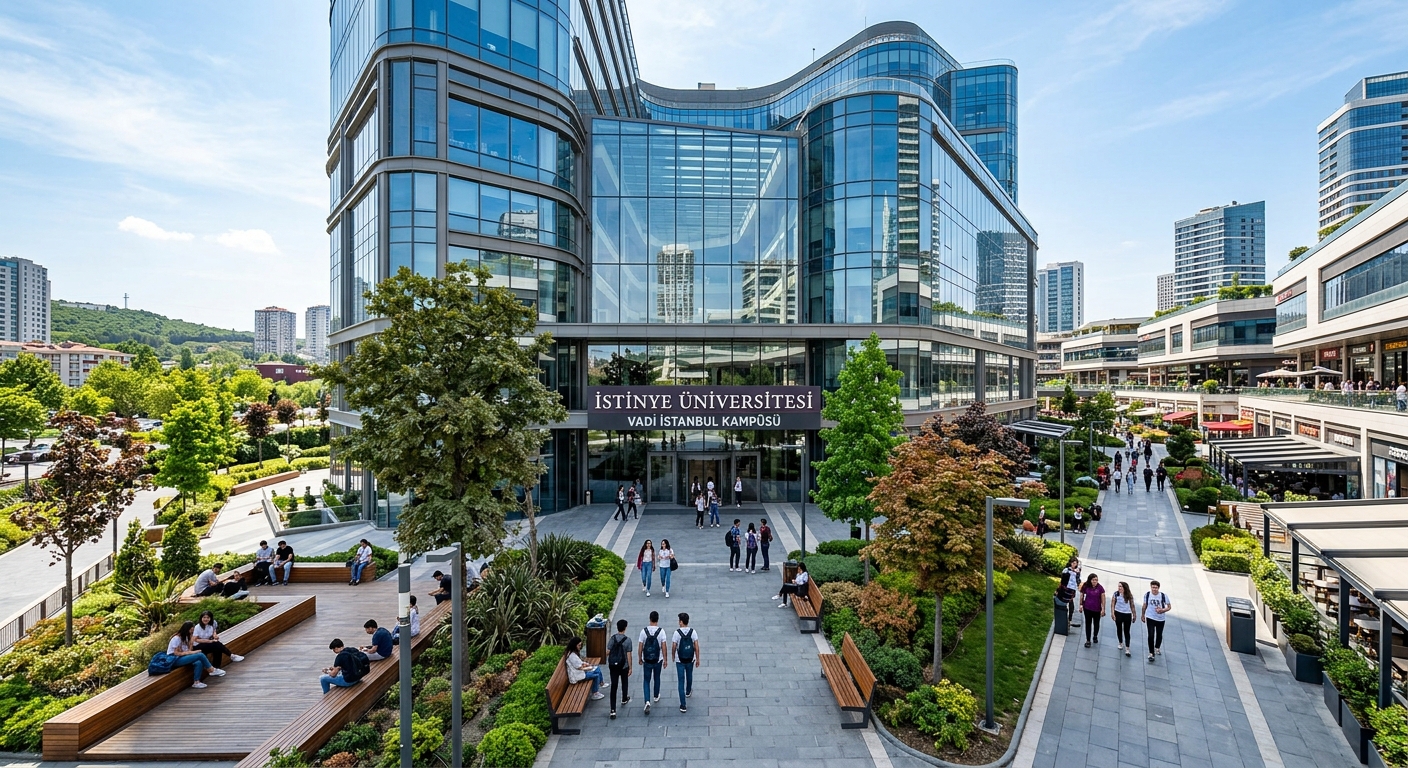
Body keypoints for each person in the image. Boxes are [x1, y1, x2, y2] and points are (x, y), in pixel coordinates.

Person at [168, 621, 221, 689]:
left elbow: (189, 650)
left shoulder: (186, 637)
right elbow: (176, 653)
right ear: (186, 629)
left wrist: (191, 642)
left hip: (183, 657)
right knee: (200, 655)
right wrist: (193, 652)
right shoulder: (176, 638)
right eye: (191, 630)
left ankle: (196, 682)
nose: (192, 632)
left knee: (198, 662)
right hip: (175, 659)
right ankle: (211, 670)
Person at [671, 612, 700, 713]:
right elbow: (696, 646)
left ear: (681, 622)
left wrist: (673, 655)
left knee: (680, 681)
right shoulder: (693, 632)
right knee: (689, 675)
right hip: (690, 658)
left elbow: (674, 646)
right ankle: (688, 691)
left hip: (680, 660)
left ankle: (683, 705)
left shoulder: (677, 633)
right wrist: (698, 658)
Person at [638, 611, 665, 714]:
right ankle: (656, 695)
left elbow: (640, 646)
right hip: (658, 659)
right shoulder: (661, 631)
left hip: (647, 660)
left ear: (650, 619)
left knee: (646, 680)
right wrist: (665, 659)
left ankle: (647, 701)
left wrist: (640, 658)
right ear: (657, 619)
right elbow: (663, 646)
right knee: (657, 677)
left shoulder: (643, 631)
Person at [606, 619, 633, 719]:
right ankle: (624, 698)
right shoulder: (628, 640)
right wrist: (630, 667)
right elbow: (629, 655)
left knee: (614, 686)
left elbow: (608, 651)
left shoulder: (612, 638)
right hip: (623, 665)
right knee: (624, 682)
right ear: (625, 628)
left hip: (613, 666)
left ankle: (613, 710)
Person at [1141, 580, 1172, 662]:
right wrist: (1143, 614)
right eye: (1153, 587)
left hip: (1160, 618)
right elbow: (1144, 605)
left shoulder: (1163, 596)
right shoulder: (1147, 595)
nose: (1154, 589)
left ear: (1158, 588)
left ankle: (1157, 647)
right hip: (1150, 617)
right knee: (1150, 635)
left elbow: (1169, 606)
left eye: (1156, 587)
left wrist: (1162, 610)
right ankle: (1151, 653)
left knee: (1159, 634)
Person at [1079, 574, 1106, 648]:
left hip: (1097, 609)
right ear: (1090, 580)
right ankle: (1088, 640)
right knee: (1088, 623)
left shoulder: (1100, 588)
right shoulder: (1086, 586)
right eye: (1093, 580)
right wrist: (1081, 605)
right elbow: (1082, 595)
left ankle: (1095, 636)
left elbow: (1103, 598)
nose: (1095, 581)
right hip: (1087, 608)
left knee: (1096, 624)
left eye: (1096, 580)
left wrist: (1103, 609)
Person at [1111, 581, 1135, 657]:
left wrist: (1134, 614)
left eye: (1121, 586)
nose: (1119, 588)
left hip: (1127, 614)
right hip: (1118, 612)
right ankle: (1120, 642)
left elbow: (1132, 605)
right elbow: (1113, 604)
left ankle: (1127, 647)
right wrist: (1112, 613)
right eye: (1119, 586)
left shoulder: (1129, 595)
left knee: (1127, 631)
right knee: (1119, 628)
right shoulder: (1116, 594)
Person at [1061, 558, 1082, 627]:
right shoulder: (1066, 570)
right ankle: (1064, 618)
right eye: (1073, 563)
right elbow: (1063, 579)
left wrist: (1077, 574)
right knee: (1064, 602)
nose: (1074, 564)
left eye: (1075, 563)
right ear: (1070, 563)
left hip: (1072, 589)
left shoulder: (1077, 571)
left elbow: (1078, 580)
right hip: (1066, 589)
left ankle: (1069, 619)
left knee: (1071, 604)